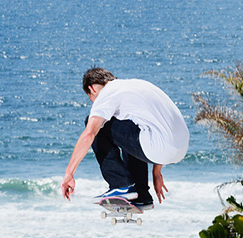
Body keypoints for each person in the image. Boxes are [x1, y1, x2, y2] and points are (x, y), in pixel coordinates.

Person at [60, 68, 189, 209]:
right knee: (131, 126)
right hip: (180, 149)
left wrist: (69, 174)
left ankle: (120, 185)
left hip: (159, 147)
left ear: (92, 89)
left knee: (94, 124)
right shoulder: (137, 85)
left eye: (91, 98)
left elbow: (89, 134)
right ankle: (141, 195)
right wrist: (156, 172)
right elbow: (163, 127)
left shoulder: (107, 92)